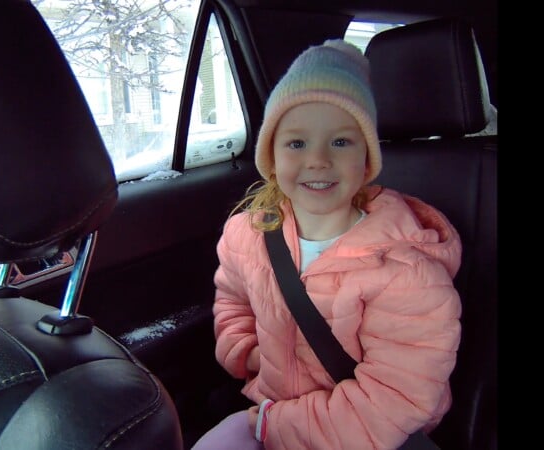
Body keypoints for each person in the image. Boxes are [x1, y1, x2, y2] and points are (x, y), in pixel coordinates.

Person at [191, 40, 462, 450]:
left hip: (369, 432)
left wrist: (270, 426)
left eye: (340, 142)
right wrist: (247, 352)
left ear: (367, 160)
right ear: (272, 156)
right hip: (271, 408)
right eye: (297, 143)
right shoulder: (247, 236)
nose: (317, 160)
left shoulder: (405, 272)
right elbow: (232, 300)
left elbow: (390, 403)